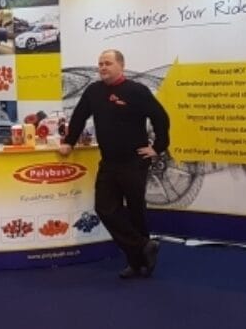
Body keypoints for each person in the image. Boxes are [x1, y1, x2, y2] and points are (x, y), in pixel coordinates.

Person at [59, 49, 169, 279]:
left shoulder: (136, 91)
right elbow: (79, 116)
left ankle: (138, 263)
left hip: (135, 162)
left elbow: (160, 117)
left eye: (107, 63)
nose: (102, 67)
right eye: (100, 64)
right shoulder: (93, 91)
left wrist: (158, 147)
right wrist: (69, 142)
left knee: (136, 212)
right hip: (109, 162)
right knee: (104, 208)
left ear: (121, 65)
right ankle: (143, 246)